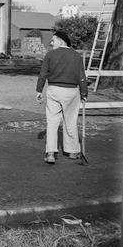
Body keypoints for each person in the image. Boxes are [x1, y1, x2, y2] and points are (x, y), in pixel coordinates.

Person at [36, 30, 88, 165]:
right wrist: (84, 93)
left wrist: (39, 90)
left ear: (60, 40)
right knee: (70, 121)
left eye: (53, 40)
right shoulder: (76, 56)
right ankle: (72, 151)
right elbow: (81, 76)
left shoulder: (50, 55)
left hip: (54, 90)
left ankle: (51, 153)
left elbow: (43, 74)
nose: (51, 43)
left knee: (52, 122)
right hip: (71, 91)